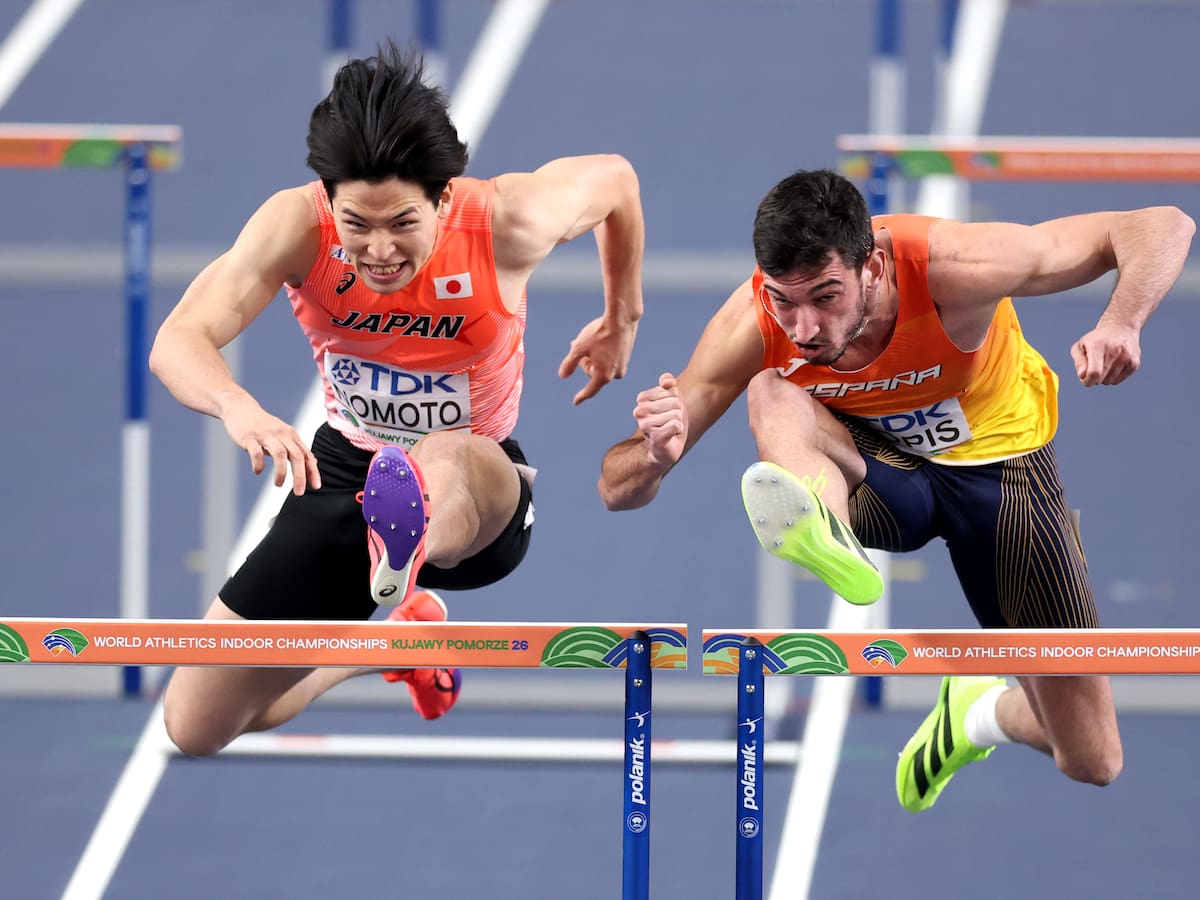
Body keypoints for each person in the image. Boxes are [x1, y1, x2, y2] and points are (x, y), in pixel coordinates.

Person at [598, 168, 1194, 811]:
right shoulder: (755, 324)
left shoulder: (955, 268)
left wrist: (1121, 322)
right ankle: (820, 527)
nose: (803, 328)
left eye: (825, 297)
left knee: (1092, 758)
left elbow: (1160, 225)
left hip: (1004, 475)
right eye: (783, 299)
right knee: (772, 389)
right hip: (883, 479)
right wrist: (657, 457)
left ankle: (976, 713)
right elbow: (615, 487)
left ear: (874, 269)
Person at [150, 41, 645, 756]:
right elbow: (179, 338)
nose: (379, 250)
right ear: (329, 202)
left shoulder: (511, 218)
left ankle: (402, 553)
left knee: (444, 454)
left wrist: (621, 316)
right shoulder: (295, 225)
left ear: (444, 196)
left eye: (402, 224)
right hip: (345, 473)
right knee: (197, 726)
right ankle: (399, 631)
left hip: (479, 486)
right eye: (358, 225)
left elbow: (618, 182)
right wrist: (236, 405)